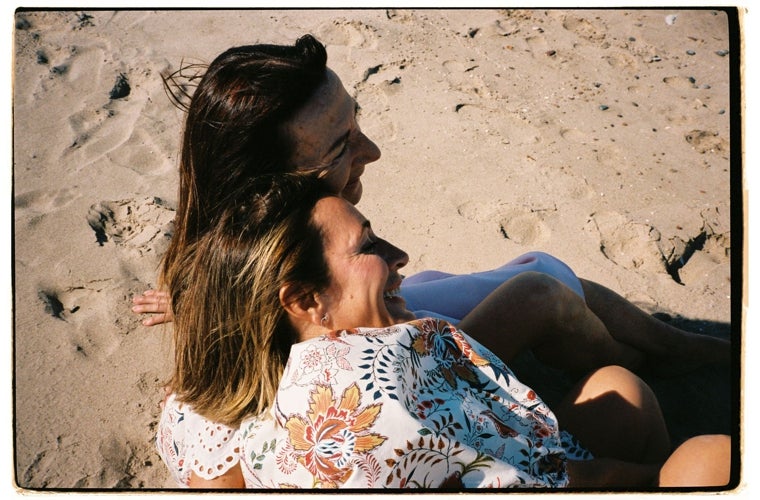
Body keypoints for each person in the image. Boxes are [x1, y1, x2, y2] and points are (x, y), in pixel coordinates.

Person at [140, 35, 731, 487]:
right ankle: (677, 356)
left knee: (521, 288)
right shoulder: (331, 409)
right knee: (543, 287)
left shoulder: (237, 255)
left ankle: (665, 354)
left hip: (361, 334)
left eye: (356, 121)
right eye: (342, 145)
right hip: (380, 369)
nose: (371, 150)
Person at [155, 174, 731, 489]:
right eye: (369, 248)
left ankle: (665, 354)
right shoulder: (382, 401)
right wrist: (659, 479)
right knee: (709, 461)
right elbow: (568, 479)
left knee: (617, 388)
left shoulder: (257, 397)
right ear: (306, 300)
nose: (399, 254)